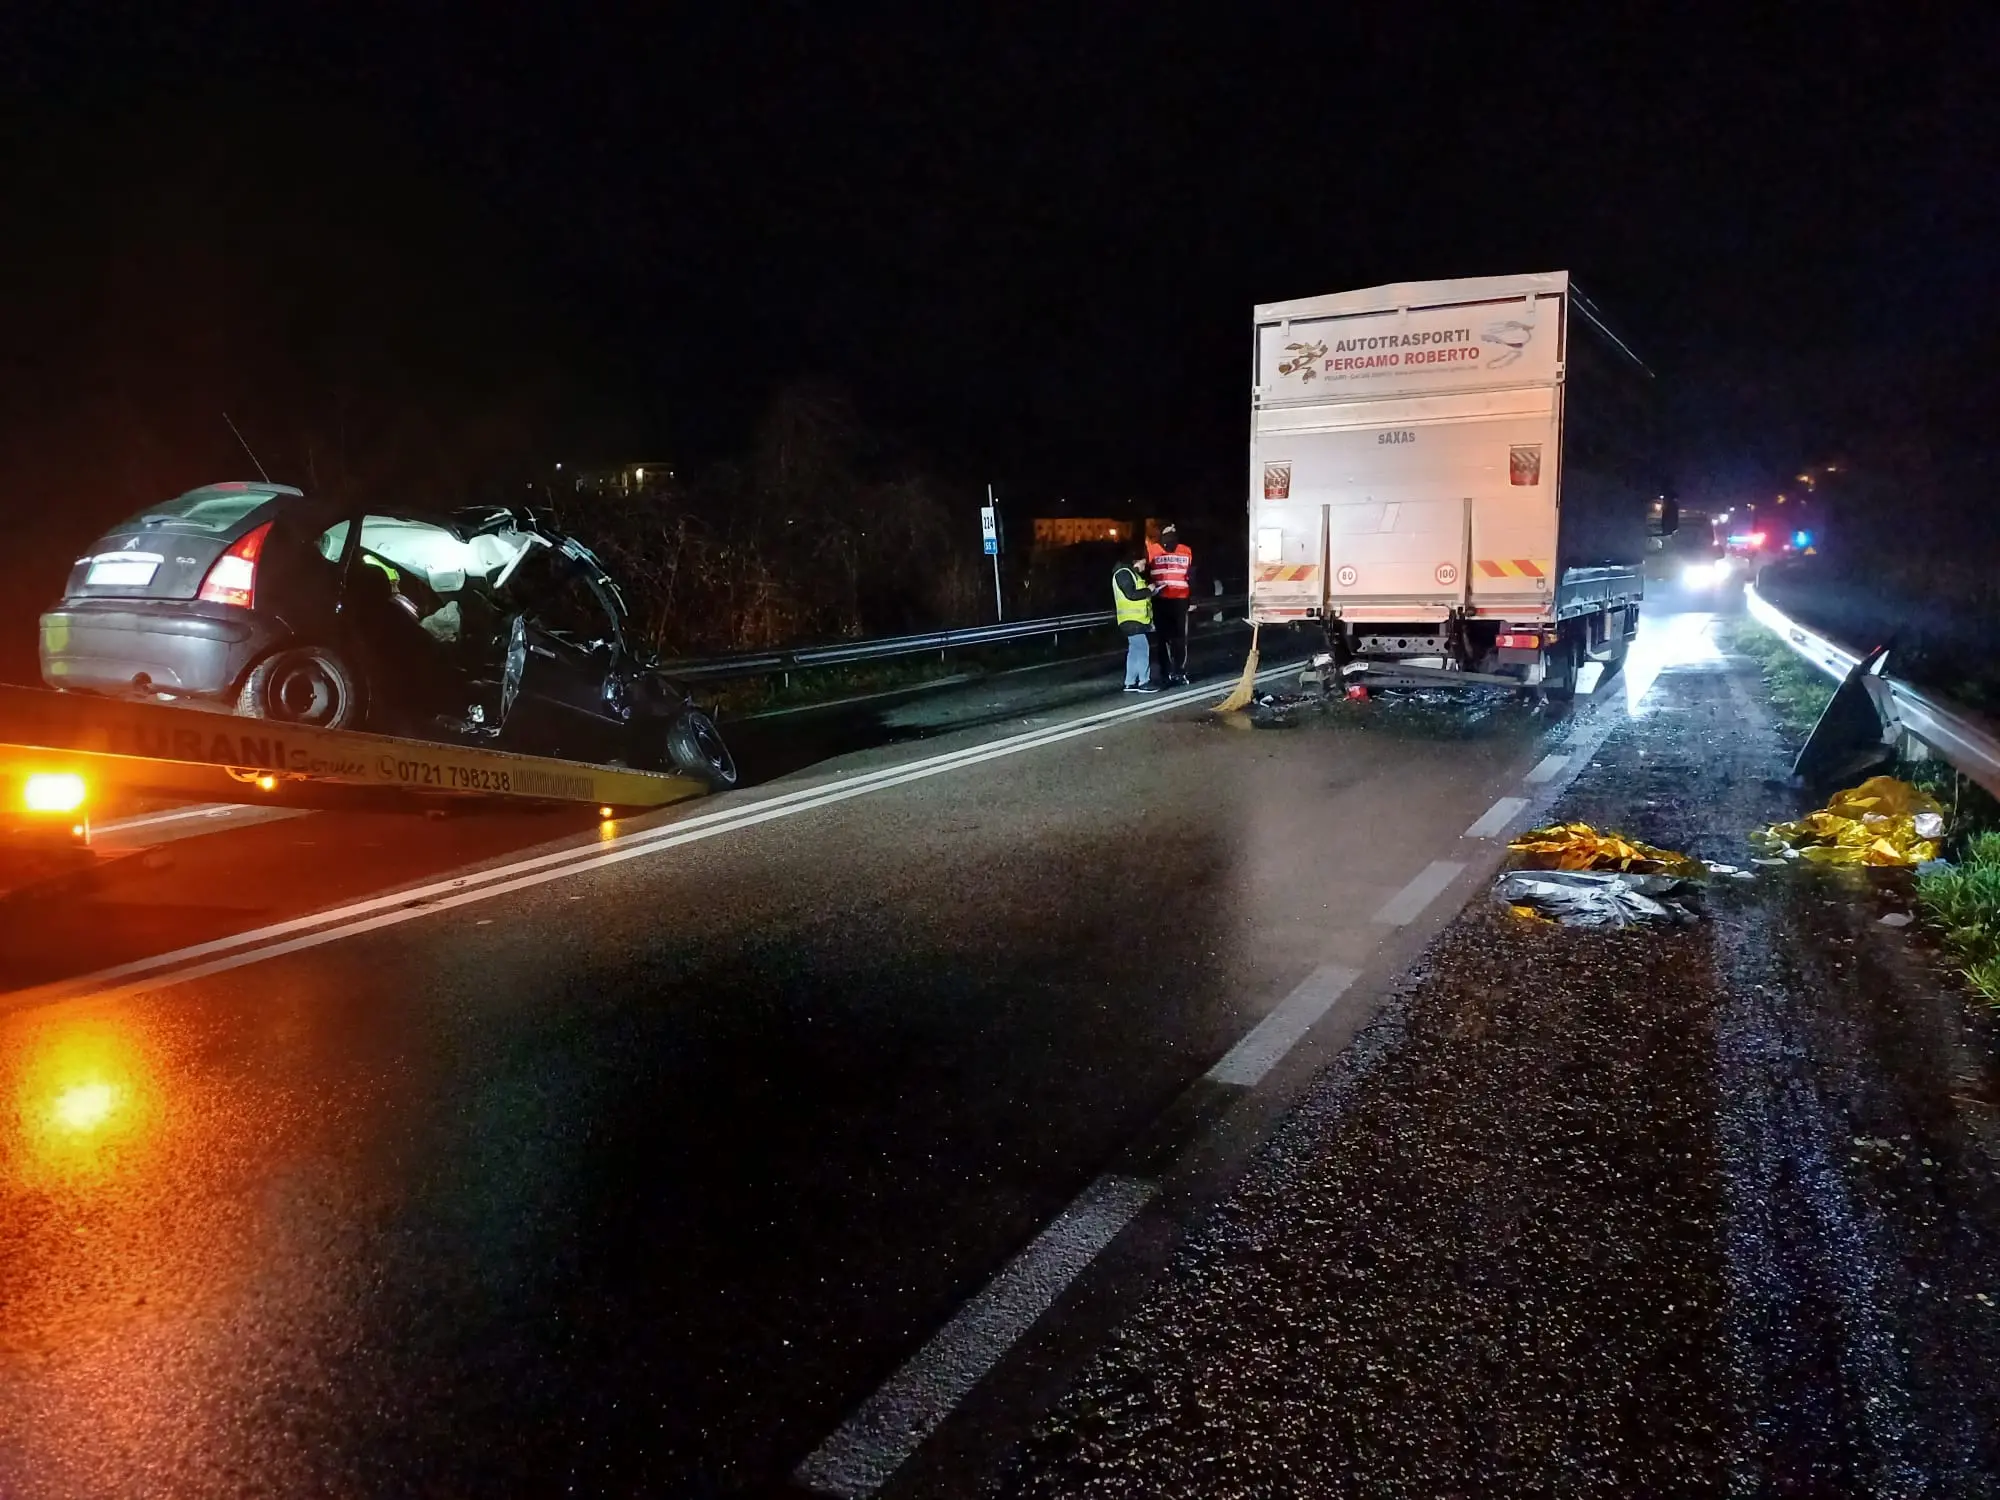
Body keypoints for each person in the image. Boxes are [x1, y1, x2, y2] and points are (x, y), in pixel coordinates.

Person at [1146, 522, 1194, 685]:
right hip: (1180, 599)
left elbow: (1147, 574)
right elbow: (1192, 575)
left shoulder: (1152, 550)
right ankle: (1179, 672)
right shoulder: (1186, 550)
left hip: (1161, 599)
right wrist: (1193, 599)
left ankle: (1165, 672)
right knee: (1180, 638)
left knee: (1163, 638)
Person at [1113, 554, 1161, 692]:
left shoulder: (1130, 574)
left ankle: (1130, 682)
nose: (1144, 567)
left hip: (1134, 619)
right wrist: (1149, 590)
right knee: (1142, 649)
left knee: (1135, 650)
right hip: (1131, 619)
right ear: (1136, 561)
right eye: (1143, 563)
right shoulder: (1123, 573)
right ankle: (1144, 682)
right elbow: (1131, 594)